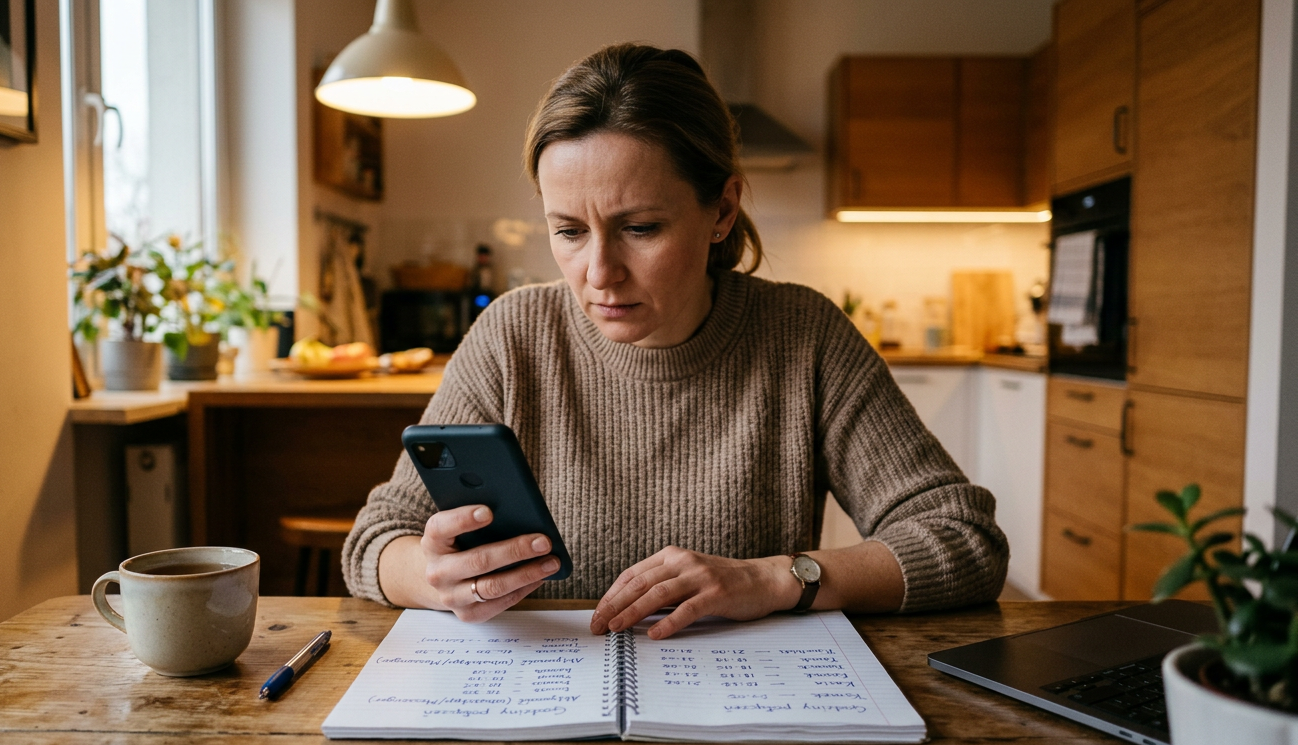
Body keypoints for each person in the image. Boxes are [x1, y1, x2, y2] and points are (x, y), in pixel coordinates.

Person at [342, 43, 1008, 640]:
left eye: (640, 228)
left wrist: (777, 579)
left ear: (720, 211)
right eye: (569, 232)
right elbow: (375, 541)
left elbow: (964, 540)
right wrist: (434, 577)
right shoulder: (512, 334)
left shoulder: (802, 336)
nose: (598, 274)